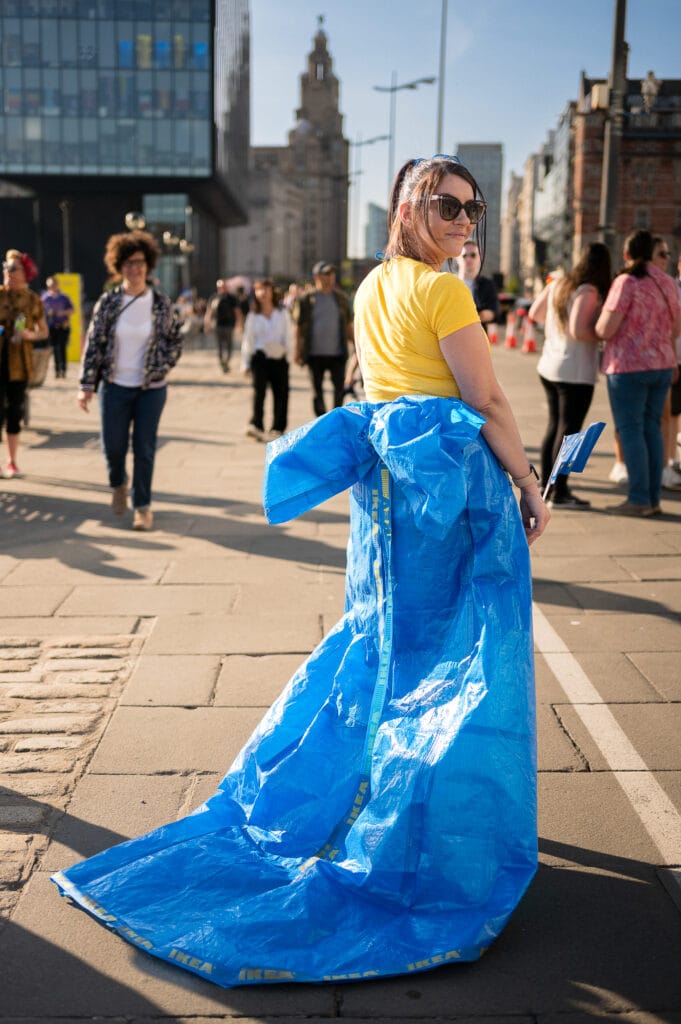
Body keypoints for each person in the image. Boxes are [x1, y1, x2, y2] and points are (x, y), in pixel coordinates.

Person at [51, 156, 550, 990]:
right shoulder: (444, 292)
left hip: (383, 503)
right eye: (447, 205)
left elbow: (376, 385)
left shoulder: (372, 287)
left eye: (474, 209)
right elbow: (488, 400)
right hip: (443, 499)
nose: (465, 221)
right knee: (450, 665)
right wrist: (529, 484)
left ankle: (350, 803)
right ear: (408, 208)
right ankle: (405, 831)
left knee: (378, 653)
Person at [77, 230, 183, 531]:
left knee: (145, 448)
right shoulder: (108, 303)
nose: (134, 268)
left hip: (151, 389)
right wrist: (85, 386)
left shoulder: (161, 303)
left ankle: (143, 507)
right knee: (112, 447)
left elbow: (176, 340)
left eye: (138, 262)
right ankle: (118, 483)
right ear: (118, 266)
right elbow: (94, 344)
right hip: (114, 386)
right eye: (127, 263)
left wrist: (162, 366)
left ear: (148, 264)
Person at [596, 229, 681, 516]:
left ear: (628, 253)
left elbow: (605, 329)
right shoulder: (669, 283)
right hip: (662, 365)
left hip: (628, 366)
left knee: (630, 430)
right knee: (652, 429)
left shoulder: (626, 282)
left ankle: (638, 499)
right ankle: (652, 497)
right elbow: (677, 328)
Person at [529, 242, 612, 508]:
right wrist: (602, 334)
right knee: (570, 433)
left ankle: (547, 486)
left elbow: (535, 314)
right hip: (574, 372)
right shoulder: (588, 290)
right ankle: (559, 492)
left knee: (555, 427)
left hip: (550, 365)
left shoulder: (560, 283)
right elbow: (578, 330)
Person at [0, 249, 49, 478]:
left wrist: (28, 335)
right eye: (6, 267)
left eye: (12, 268)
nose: (8, 272)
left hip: (20, 363)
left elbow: (43, 332)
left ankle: (12, 461)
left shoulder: (32, 300)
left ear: (24, 272)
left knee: (14, 410)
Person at [293, 261, 353, 416]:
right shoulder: (307, 299)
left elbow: (348, 325)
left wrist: (357, 346)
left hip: (338, 354)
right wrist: (297, 351)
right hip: (314, 354)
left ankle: (335, 420)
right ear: (317, 276)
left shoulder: (341, 298)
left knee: (339, 390)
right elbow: (298, 327)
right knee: (316, 392)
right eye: (326, 274)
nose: (330, 277)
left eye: (332, 274)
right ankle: (321, 421)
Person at [240, 278, 292, 440]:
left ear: (271, 292)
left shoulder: (282, 313)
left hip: (279, 357)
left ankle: (278, 426)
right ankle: (257, 424)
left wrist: (288, 356)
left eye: (265, 289)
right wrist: (245, 364)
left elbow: (289, 336)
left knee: (281, 393)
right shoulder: (253, 316)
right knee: (258, 392)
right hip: (260, 357)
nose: (262, 293)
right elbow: (248, 340)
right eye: (259, 290)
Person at [653, 238, 681, 490]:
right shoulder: (671, 286)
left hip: (667, 360)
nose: (666, 258)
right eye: (662, 253)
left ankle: (670, 463)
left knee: (672, 417)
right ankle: (665, 466)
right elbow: (673, 329)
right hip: (669, 361)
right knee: (666, 415)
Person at [456, 239, 500, 331]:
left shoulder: (488, 284)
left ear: (479, 257)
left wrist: (482, 315)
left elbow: (494, 312)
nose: (468, 259)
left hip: (478, 335)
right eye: (464, 255)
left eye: (473, 255)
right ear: (457, 257)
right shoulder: (449, 283)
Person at [204, 279, 241, 373]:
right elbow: (209, 312)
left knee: (229, 346)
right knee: (219, 346)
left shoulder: (231, 298)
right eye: (219, 286)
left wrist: (239, 324)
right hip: (217, 325)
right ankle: (222, 363)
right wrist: (207, 324)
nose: (221, 288)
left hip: (229, 325)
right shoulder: (214, 297)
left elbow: (237, 312)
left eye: (223, 286)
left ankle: (227, 361)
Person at [41, 276, 74, 379]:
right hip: (51, 327)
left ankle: (63, 369)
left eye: (53, 285)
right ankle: (56, 370)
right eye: (50, 286)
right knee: (54, 349)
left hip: (63, 327)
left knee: (62, 347)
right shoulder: (45, 298)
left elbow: (72, 310)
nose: (52, 287)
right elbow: (40, 311)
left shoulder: (64, 297)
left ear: (57, 285)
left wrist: (62, 313)